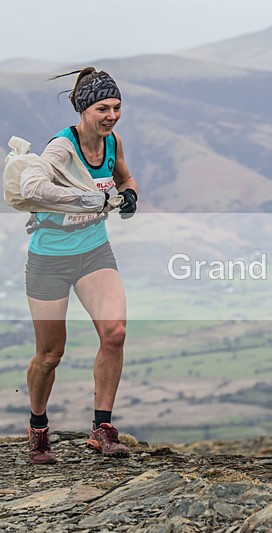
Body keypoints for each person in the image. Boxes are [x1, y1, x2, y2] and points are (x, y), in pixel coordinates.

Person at [23, 67, 139, 464]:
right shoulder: (61, 147)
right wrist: (83, 201)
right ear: (83, 108)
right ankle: (38, 428)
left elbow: (125, 178)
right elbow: (30, 187)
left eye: (117, 107)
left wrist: (129, 196)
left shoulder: (112, 142)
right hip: (50, 258)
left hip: (93, 251)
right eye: (103, 108)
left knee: (115, 333)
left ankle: (102, 429)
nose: (111, 115)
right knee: (50, 354)